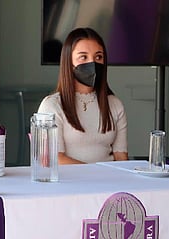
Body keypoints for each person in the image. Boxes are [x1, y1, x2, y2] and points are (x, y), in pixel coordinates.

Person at [37, 27, 128, 164]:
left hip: (109, 183)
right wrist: (96, 176)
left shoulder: (115, 104)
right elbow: (53, 159)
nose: (92, 63)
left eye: (98, 57)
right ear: (69, 62)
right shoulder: (51, 105)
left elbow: (121, 157)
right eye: (83, 57)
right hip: (70, 183)